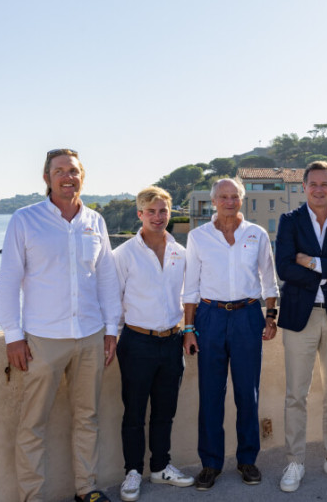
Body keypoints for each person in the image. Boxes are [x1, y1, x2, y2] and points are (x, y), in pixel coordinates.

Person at [0, 149, 122, 502]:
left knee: (88, 418)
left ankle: (87, 490)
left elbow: (106, 278)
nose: (68, 176)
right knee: (33, 424)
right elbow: (8, 281)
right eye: (60, 171)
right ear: (47, 178)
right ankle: (32, 496)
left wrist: (112, 329)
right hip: (43, 339)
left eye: (74, 170)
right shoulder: (25, 220)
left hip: (91, 335)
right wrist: (13, 335)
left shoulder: (95, 221)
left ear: (83, 176)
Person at [182, 178, 279, 491]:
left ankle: (247, 460)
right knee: (211, 394)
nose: (228, 201)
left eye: (234, 196)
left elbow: (269, 278)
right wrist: (189, 328)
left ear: (242, 199)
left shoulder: (257, 233)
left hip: (248, 316)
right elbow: (191, 287)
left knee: (247, 393)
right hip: (209, 317)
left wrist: (271, 315)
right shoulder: (198, 236)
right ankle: (210, 464)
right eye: (223, 197)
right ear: (213, 201)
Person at [274, 161, 327, 492]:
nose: (319, 189)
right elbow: (284, 268)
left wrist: (311, 262)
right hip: (301, 317)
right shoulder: (289, 221)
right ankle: (295, 461)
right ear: (304, 187)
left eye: (326, 184)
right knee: (297, 393)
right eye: (314, 184)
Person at [113, 186, 193, 501]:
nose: (158, 217)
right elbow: (113, 298)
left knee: (165, 411)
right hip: (136, 341)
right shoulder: (123, 254)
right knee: (133, 412)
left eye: (163, 211)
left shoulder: (181, 253)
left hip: (172, 341)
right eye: (151, 212)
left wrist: (189, 331)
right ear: (140, 215)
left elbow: (189, 297)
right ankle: (132, 472)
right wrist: (114, 336)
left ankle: (160, 467)